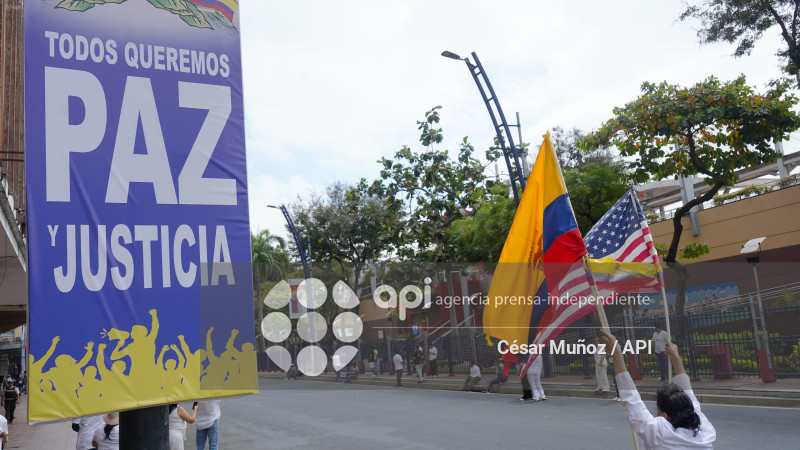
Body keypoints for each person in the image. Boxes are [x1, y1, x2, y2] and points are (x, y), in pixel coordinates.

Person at [600, 329, 716, 449]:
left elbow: (632, 401)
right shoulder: (701, 426)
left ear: (664, 416)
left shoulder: (662, 434)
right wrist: (675, 356)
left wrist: (616, 353)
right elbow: (689, 394)